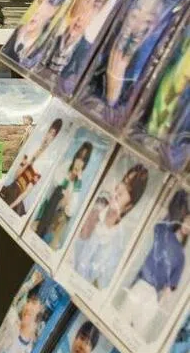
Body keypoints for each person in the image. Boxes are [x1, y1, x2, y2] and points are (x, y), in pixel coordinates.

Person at [120, 188, 190, 335]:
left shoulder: (181, 257)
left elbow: (169, 288)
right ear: (184, 218)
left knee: (137, 333)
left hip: (153, 295)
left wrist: (158, 306)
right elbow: (170, 213)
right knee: (121, 322)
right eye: (188, 221)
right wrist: (181, 194)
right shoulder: (164, 231)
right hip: (141, 284)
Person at [70, 164, 150, 292]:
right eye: (124, 182)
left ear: (130, 205)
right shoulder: (96, 206)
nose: (121, 190)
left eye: (129, 190)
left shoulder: (118, 240)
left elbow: (97, 281)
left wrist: (107, 226)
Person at [33, 140, 94, 249]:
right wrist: (68, 178)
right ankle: (40, 231)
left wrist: (75, 183)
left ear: (85, 163)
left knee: (65, 209)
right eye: (79, 157)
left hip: (60, 215)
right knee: (59, 191)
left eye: (83, 159)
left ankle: (48, 238)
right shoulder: (67, 165)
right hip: (52, 204)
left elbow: (72, 209)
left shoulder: (79, 181)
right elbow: (55, 181)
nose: (79, 161)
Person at [0, 117, 64, 214]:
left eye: (53, 135)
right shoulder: (32, 148)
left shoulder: (45, 163)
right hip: (11, 187)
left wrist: (11, 206)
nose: (49, 136)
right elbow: (16, 176)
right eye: (49, 132)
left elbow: (26, 192)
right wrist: (31, 160)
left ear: (54, 139)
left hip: (18, 197)